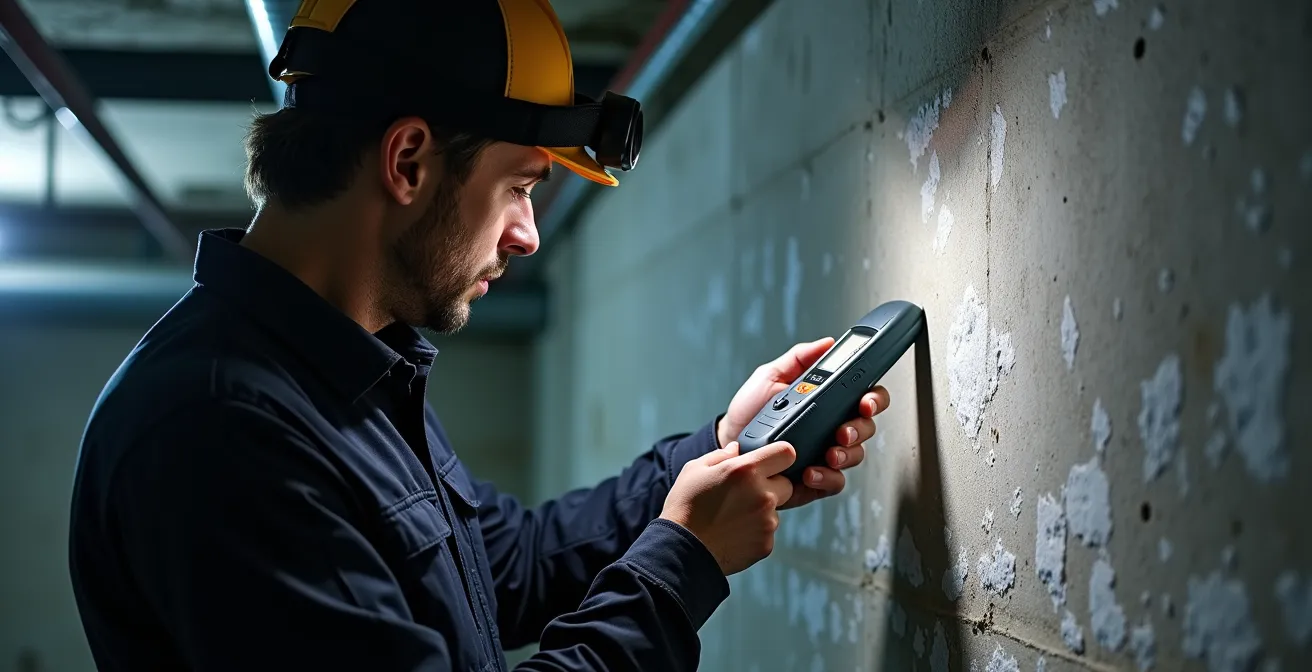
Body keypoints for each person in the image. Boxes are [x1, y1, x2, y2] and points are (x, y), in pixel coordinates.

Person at [66, 1, 891, 670]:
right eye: (521, 186)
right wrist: (680, 565)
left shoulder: (350, 375)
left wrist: (719, 447)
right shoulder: (218, 432)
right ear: (410, 160)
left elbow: (510, 568)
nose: (528, 234)